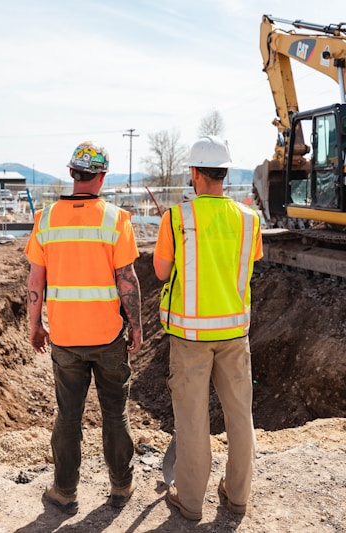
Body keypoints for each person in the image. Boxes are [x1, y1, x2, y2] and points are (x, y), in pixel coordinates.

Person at [24, 141, 143, 515]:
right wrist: (136, 326)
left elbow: (35, 280)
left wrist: (35, 325)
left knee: (68, 415)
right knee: (115, 413)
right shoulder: (116, 220)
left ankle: (64, 492)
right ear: (102, 176)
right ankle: (121, 487)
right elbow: (127, 280)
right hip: (108, 336)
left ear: (72, 173)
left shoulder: (44, 219)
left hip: (65, 337)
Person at [153, 136, 263, 520]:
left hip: (190, 337)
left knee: (192, 422)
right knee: (239, 418)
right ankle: (237, 498)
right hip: (235, 334)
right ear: (225, 172)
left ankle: (191, 502)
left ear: (195, 173)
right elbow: (247, 265)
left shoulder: (177, 218)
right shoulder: (250, 219)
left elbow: (162, 272)